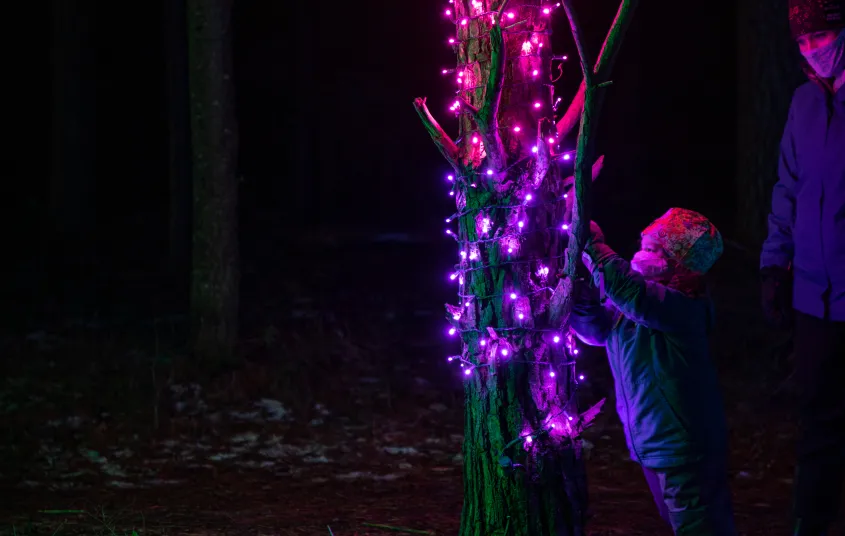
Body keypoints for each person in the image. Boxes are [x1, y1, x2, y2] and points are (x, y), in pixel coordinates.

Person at [572, 208, 735, 535]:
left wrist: (592, 244)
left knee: (698, 526)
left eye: (657, 249)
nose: (645, 254)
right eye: (646, 244)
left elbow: (631, 295)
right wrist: (581, 299)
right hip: (654, 442)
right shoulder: (645, 296)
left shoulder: (681, 307)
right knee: (678, 520)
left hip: (684, 446)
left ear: (680, 263)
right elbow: (599, 331)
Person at [760, 1, 845, 534]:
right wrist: (774, 264)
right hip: (813, 295)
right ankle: (809, 525)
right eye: (802, 41)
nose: (812, 48)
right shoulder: (802, 103)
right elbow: (787, 188)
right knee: (817, 420)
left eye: (821, 36)